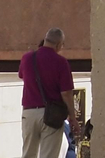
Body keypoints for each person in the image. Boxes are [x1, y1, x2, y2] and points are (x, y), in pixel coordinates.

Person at [18, 27, 78, 158]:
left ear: (45, 40)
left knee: (28, 154)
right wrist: (72, 117)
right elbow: (66, 93)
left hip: (29, 113)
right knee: (49, 155)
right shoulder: (61, 62)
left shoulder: (27, 58)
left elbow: (22, 76)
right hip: (52, 114)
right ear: (59, 44)